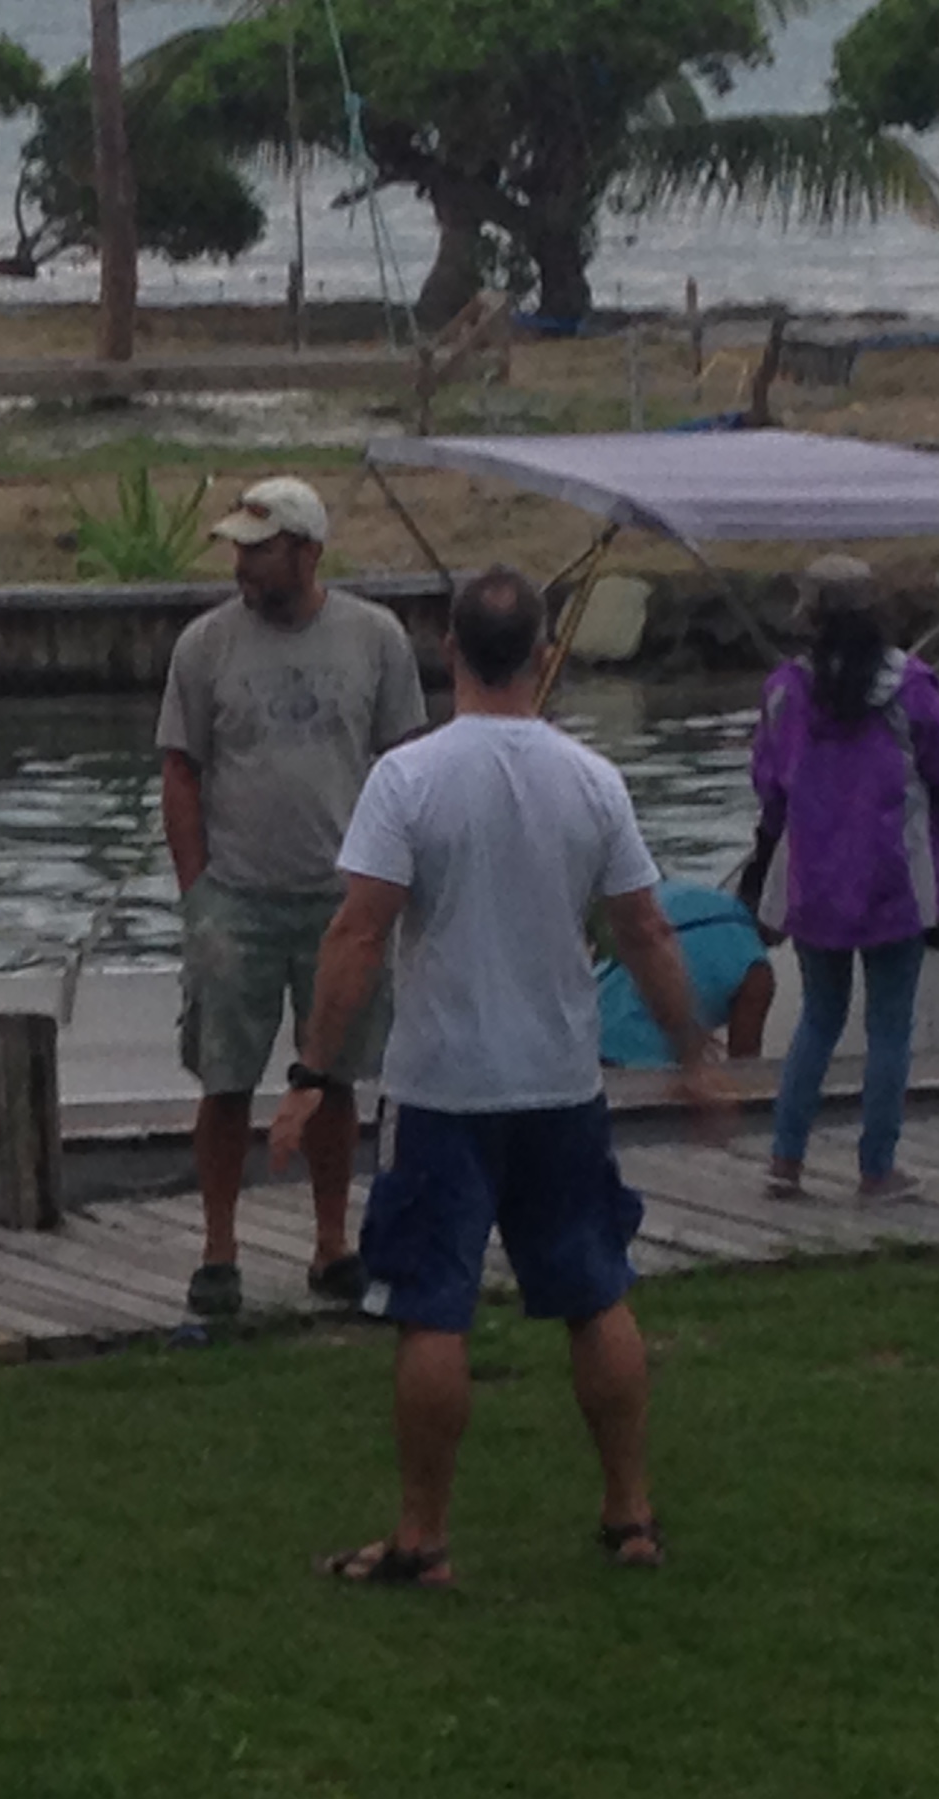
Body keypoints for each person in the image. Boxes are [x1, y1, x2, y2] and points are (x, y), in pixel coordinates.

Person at [268, 567, 724, 1587]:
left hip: (445, 1087)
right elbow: (644, 929)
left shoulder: (408, 779)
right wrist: (691, 1052)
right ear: (544, 656)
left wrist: (311, 1071)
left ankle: (423, 1535)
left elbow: (358, 932)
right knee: (595, 1292)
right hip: (560, 1082)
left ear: (450, 652)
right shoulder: (592, 780)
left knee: (433, 1309)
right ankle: (630, 1513)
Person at [159, 475, 426, 1320]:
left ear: (308, 552)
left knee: (335, 1077)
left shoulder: (376, 639)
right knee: (224, 1081)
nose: (242, 564)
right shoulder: (204, 646)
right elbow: (180, 772)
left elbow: (403, 765)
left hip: (340, 898)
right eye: (237, 550)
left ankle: (331, 1241)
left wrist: (388, 884)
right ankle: (218, 1248)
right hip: (236, 896)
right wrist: (197, 891)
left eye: (259, 550)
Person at [747, 554, 939, 1201]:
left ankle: (785, 1160)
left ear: (808, 618)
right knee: (891, 1026)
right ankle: (877, 1168)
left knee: (819, 1019)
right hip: (895, 878)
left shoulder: (784, 692)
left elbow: (769, 784)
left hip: (812, 880)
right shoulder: (910, 686)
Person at [598, 877, 777, 1066]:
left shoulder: (687, 891)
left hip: (589, 1019)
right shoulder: (757, 972)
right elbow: (743, 1064)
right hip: (636, 1057)